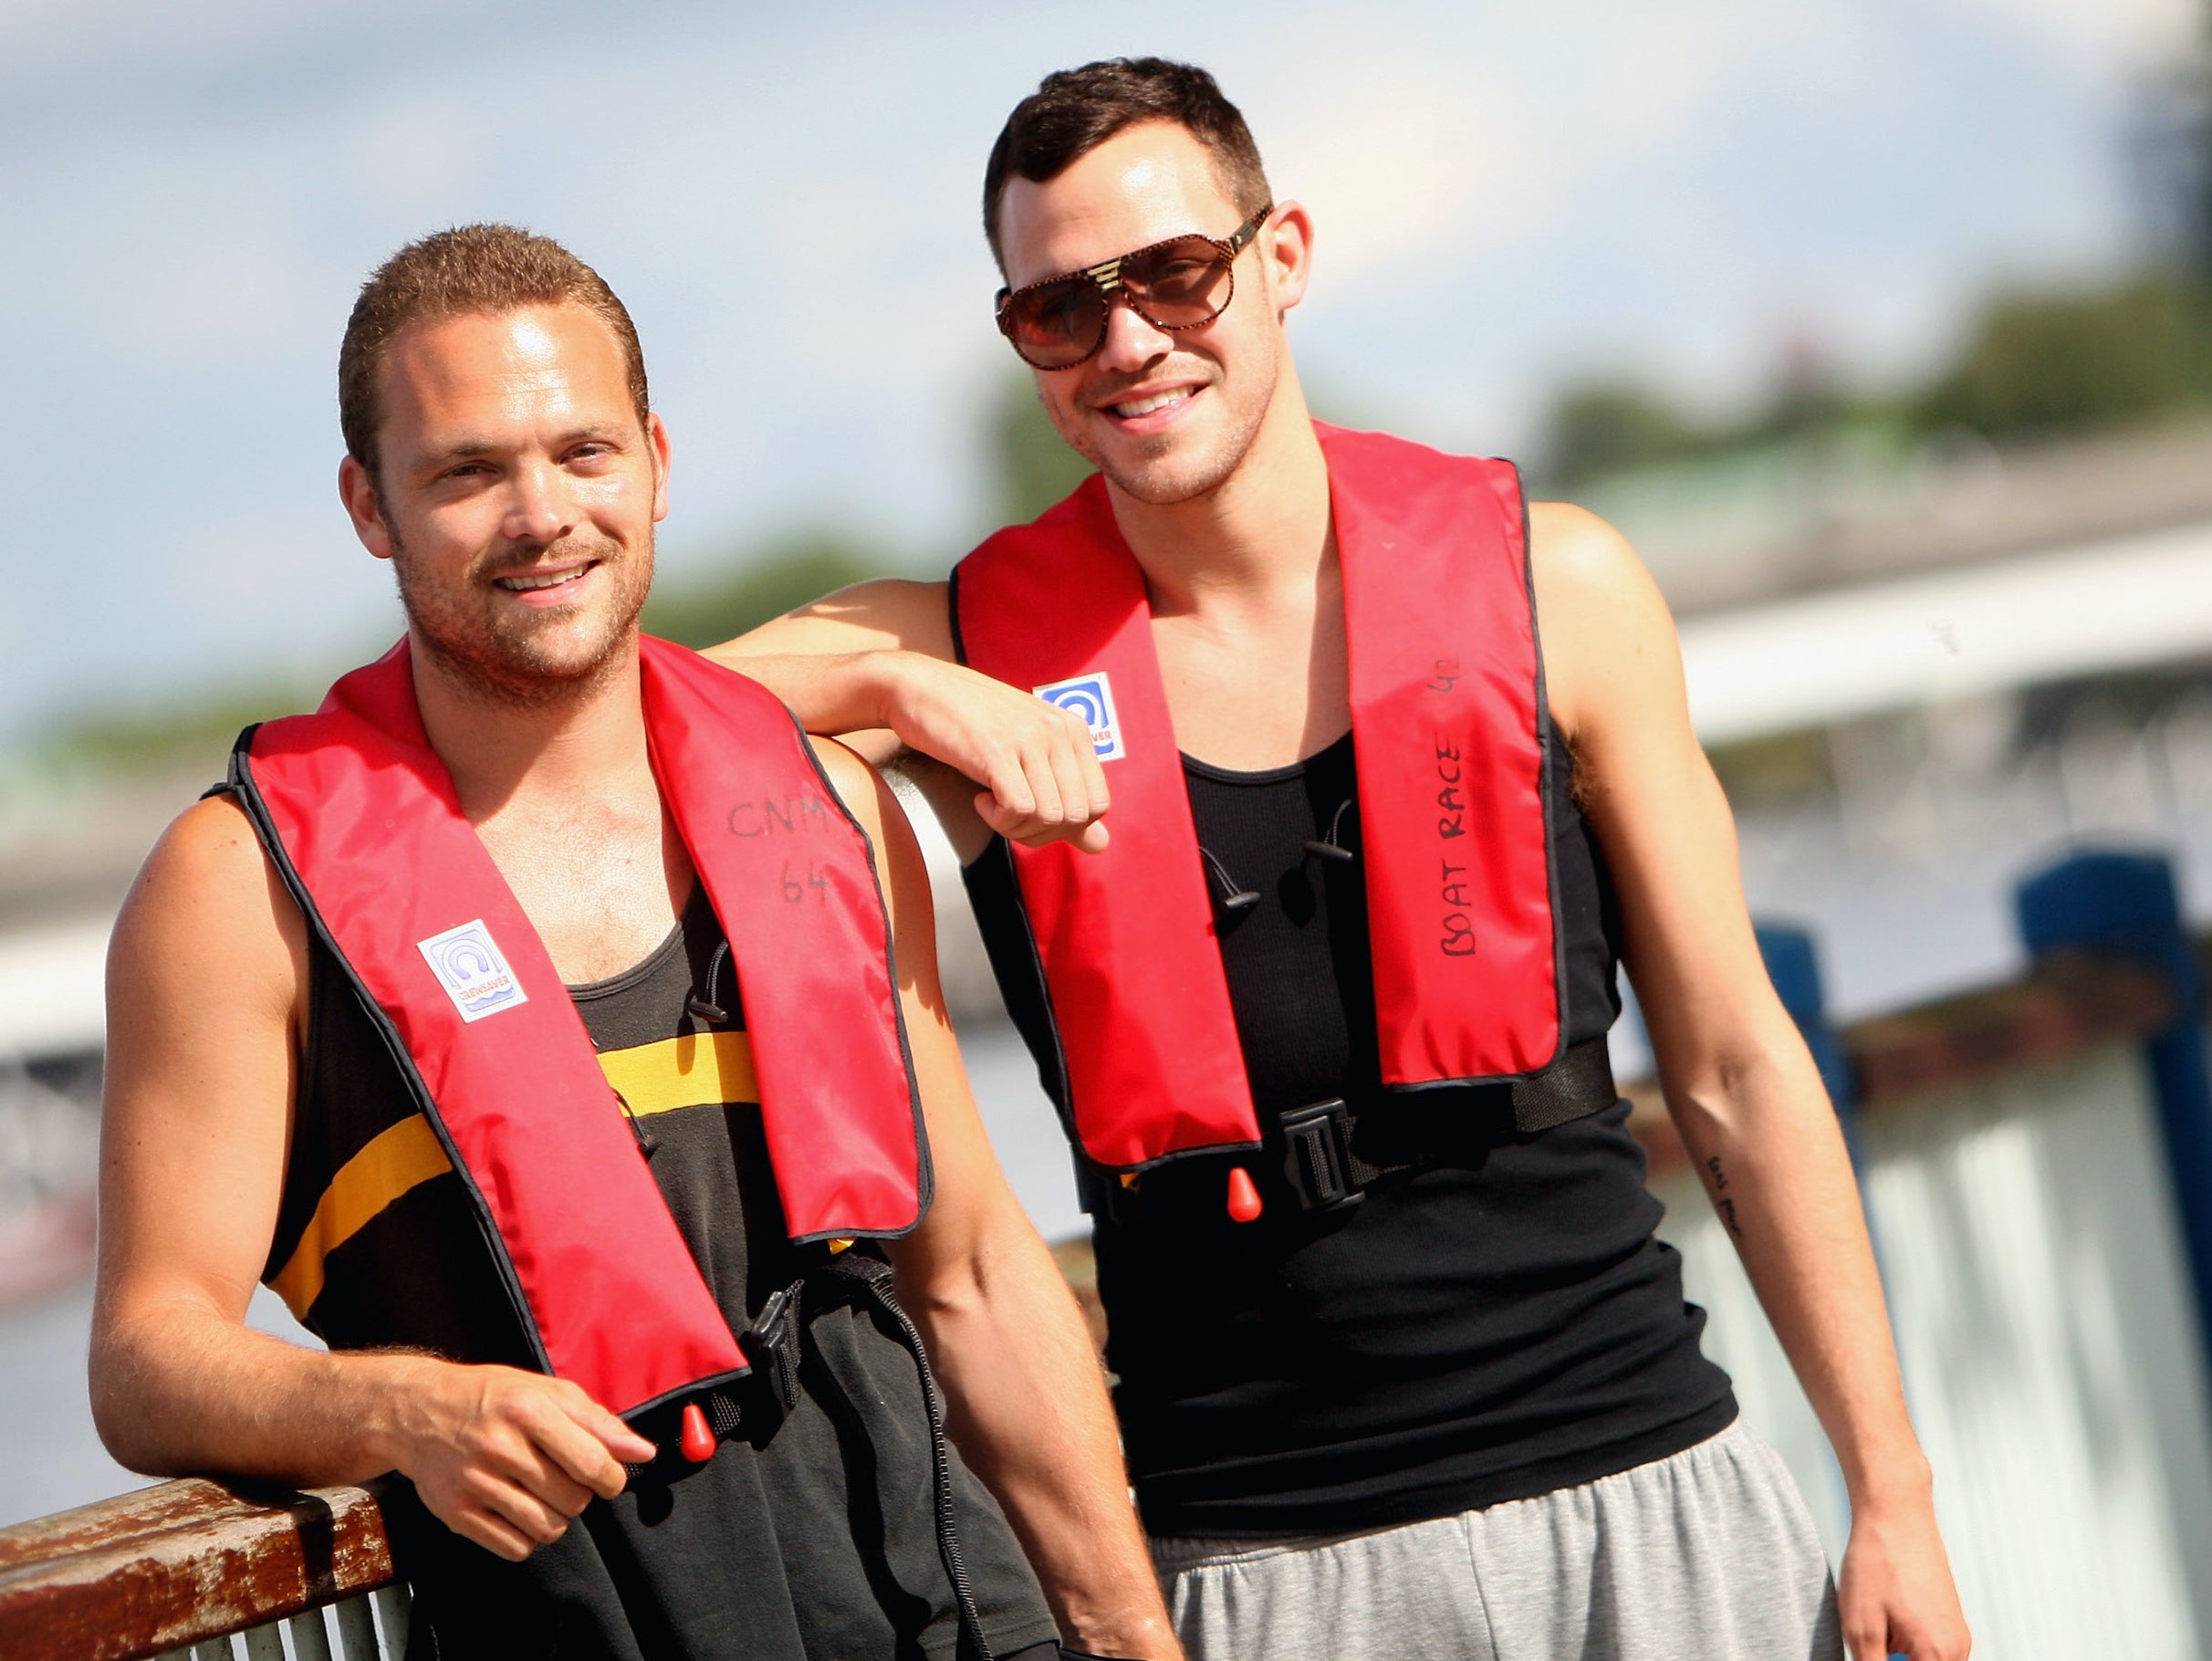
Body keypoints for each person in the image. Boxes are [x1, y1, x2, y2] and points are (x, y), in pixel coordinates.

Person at [714, 58, 1971, 1661]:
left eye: (1175, 273)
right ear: (1024, 347)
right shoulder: (967, 649)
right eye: (1061, 310)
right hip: (1259, 1567)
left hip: (1646, 1501)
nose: (1129, 343)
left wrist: (1895, 1496)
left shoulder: (1559, 585)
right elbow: (642, 704)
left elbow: (1734, 1065)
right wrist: (895, 687)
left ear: (1281, 255)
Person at [89, 224, 1182, 1661]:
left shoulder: (830, 805)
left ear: (657, 460)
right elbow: (145, 1356)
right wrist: (406, 1413)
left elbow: (973, 1275)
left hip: (959, 1619)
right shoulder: (239, 890)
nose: (542, 512)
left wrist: (1133, 1639)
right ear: (371, 506)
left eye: (583, 452)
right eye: (468, 471)